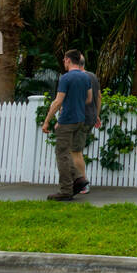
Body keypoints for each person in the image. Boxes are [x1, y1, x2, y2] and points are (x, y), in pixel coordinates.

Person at [42, 49, 94, 201]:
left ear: (69, 60)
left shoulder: (66, 78)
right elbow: (89, 99)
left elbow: (58, 101)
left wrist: (47, 121)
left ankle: (65, 190)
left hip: (67, 120)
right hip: (80, 119)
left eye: (64, 60)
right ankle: (79, 178)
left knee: (62, 154)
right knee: (68, 153)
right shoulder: (85, 78)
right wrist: (76, 103)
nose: (63, 63)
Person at [73, 61, 103, 195]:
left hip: (80, 118)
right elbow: (99, 97)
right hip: (90, 117)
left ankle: (83, 184)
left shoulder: (78, 77)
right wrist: (96, 114)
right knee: (75, 151)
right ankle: (77, 181)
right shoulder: (93, 76)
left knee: (76, 151)